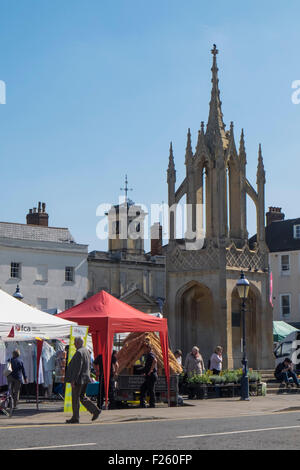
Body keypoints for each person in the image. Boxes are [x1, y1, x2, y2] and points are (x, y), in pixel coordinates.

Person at [65, 337, 101, 424]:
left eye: (74, 342)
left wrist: (73, 380)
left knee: (75, 398)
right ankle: (95, 410)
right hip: (85, 378)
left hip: (79, 379)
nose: (74, 344)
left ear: (78, 343)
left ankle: (75, 417)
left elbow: (78, 368)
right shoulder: (86, 351)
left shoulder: (79, 352)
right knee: (82, 397)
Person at [140, 344, 158, 408]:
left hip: (151, 375)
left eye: (145, 348)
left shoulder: (150, 354)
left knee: (151, 390)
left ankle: (152, 404)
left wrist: (151, 370)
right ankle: (143, 403)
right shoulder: (148, 355)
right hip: (149, 375)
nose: (144, 350)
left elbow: (155, 361)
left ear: (149, 348)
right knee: (143, 388)